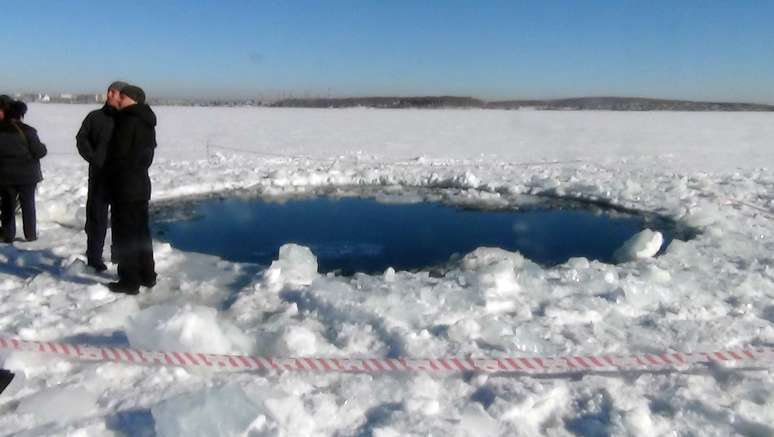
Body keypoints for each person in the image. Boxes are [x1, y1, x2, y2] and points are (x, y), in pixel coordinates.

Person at [104, 85, 157, 294]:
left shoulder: (127, 119)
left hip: (125, 185)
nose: (119, 99)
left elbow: (119, 154)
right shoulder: (146, 120)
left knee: (126, 234)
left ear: (130, 99)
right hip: (141, 183)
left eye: (122, 96)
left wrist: (112, 175)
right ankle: (147, 275)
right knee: (141, 232)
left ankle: (129, 281)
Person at [76, 81, 128, 271]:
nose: (111, 95)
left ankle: (119, 258)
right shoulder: (94, 117)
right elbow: (81, 139)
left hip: (122, 178)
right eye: (113, 92)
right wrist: (94, 158)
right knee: (96, 218)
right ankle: (94, 258)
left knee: (121, 219)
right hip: (99, 177)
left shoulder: (128, 119)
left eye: (119, 94)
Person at [0, 100, 47, 243]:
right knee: (28, 205)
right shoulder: (29, 131)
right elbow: (39, 152)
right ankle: (30, 235)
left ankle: (8, 235)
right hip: (28, 176)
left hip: (4, 175)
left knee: (7, 205)